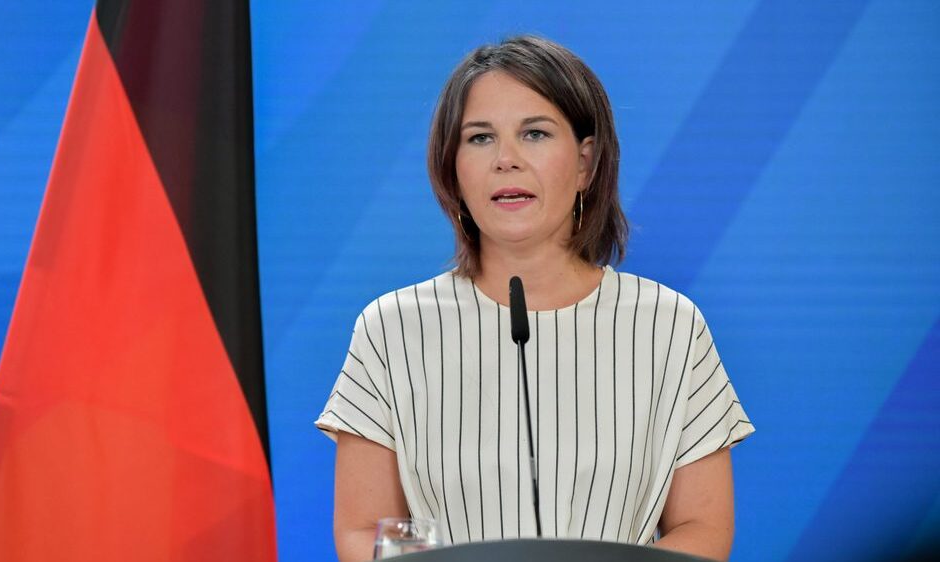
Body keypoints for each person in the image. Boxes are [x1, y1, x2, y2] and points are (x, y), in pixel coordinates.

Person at [316, 35, 754, 562]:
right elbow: (367, 530)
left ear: (585, 164)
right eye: (479, 138)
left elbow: (701, 528)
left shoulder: (669, 327)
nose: (506, 160)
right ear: (452, 167)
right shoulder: (391, 330)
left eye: (535, 133)